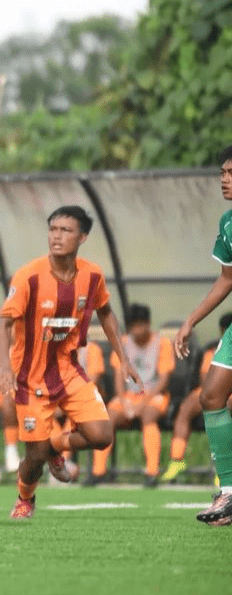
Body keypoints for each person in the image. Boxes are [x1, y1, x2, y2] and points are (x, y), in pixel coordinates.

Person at [0, 205, 140, 519]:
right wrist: (5, 368)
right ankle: (25, 498)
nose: (57, 236)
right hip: (29, 378)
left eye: (66, 230)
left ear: (83, 236)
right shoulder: (29, 276)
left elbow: (106, 313)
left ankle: (56, 446)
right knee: (33, 456)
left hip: (68, 370)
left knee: (102, 437)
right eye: (53, 229)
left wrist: (123, 358)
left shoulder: (92, 275)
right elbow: (3, 324)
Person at [172, 144, 232, 525]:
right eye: (222, 174)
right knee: (211, 395)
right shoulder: (228, 221)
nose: (225, 180)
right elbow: (227, 278)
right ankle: (229, 492)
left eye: (231, 173)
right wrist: (190, 320)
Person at [92, 303, 173, 487]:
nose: (137, 330)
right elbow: (119, 378)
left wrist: (143, 403)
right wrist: (123, 401)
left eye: (141, 325)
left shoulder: (162, 343)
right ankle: (98, 471)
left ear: (148, 323)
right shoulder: (123, 343)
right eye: (133, 326)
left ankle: (151, 472)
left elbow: (163, 380)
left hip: (154, 394)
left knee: (148, 416)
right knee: (107, 417)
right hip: (129, 396)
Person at [164, 312, 232, 483]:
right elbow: (206, 380)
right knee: (186, 407)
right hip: (212, 391)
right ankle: (177, 460)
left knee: (227, 406)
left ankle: (224, 469)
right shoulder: (214, 351)